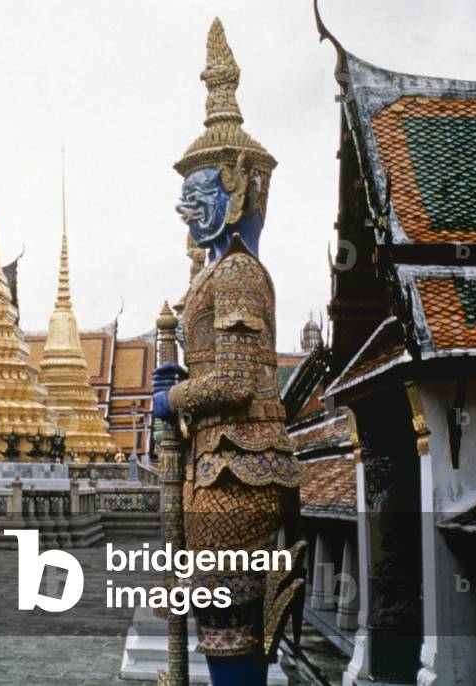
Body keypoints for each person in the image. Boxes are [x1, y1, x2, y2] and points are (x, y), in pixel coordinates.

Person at [153, 18, 306, 686]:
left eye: (197, 192)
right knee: (219, 616)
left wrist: (172, 395)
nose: (185, 206)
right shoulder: (216, 274)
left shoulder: (239, 273)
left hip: (235, 468)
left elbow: (240, 381)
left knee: (224, 619)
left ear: (236, 190)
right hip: (220, 464)